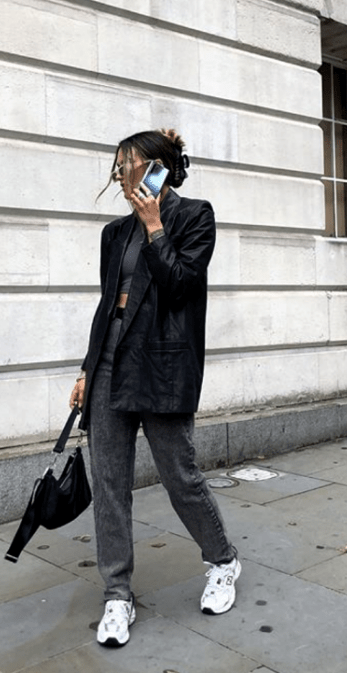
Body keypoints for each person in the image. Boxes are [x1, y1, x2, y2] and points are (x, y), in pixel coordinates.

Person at [69, 129, 239, 648]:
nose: (123, 176)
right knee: (110, 486)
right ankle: (117, 594)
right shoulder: (112, 234)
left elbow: (181, 285)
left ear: (161, 169)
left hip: (162, 366)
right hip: (111, 364)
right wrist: (85, 369)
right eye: (119, 167)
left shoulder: (195, 216)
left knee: (180, 476)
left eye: (134, 166)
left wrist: (155, 227)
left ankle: (223, 560)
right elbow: (108, 305)